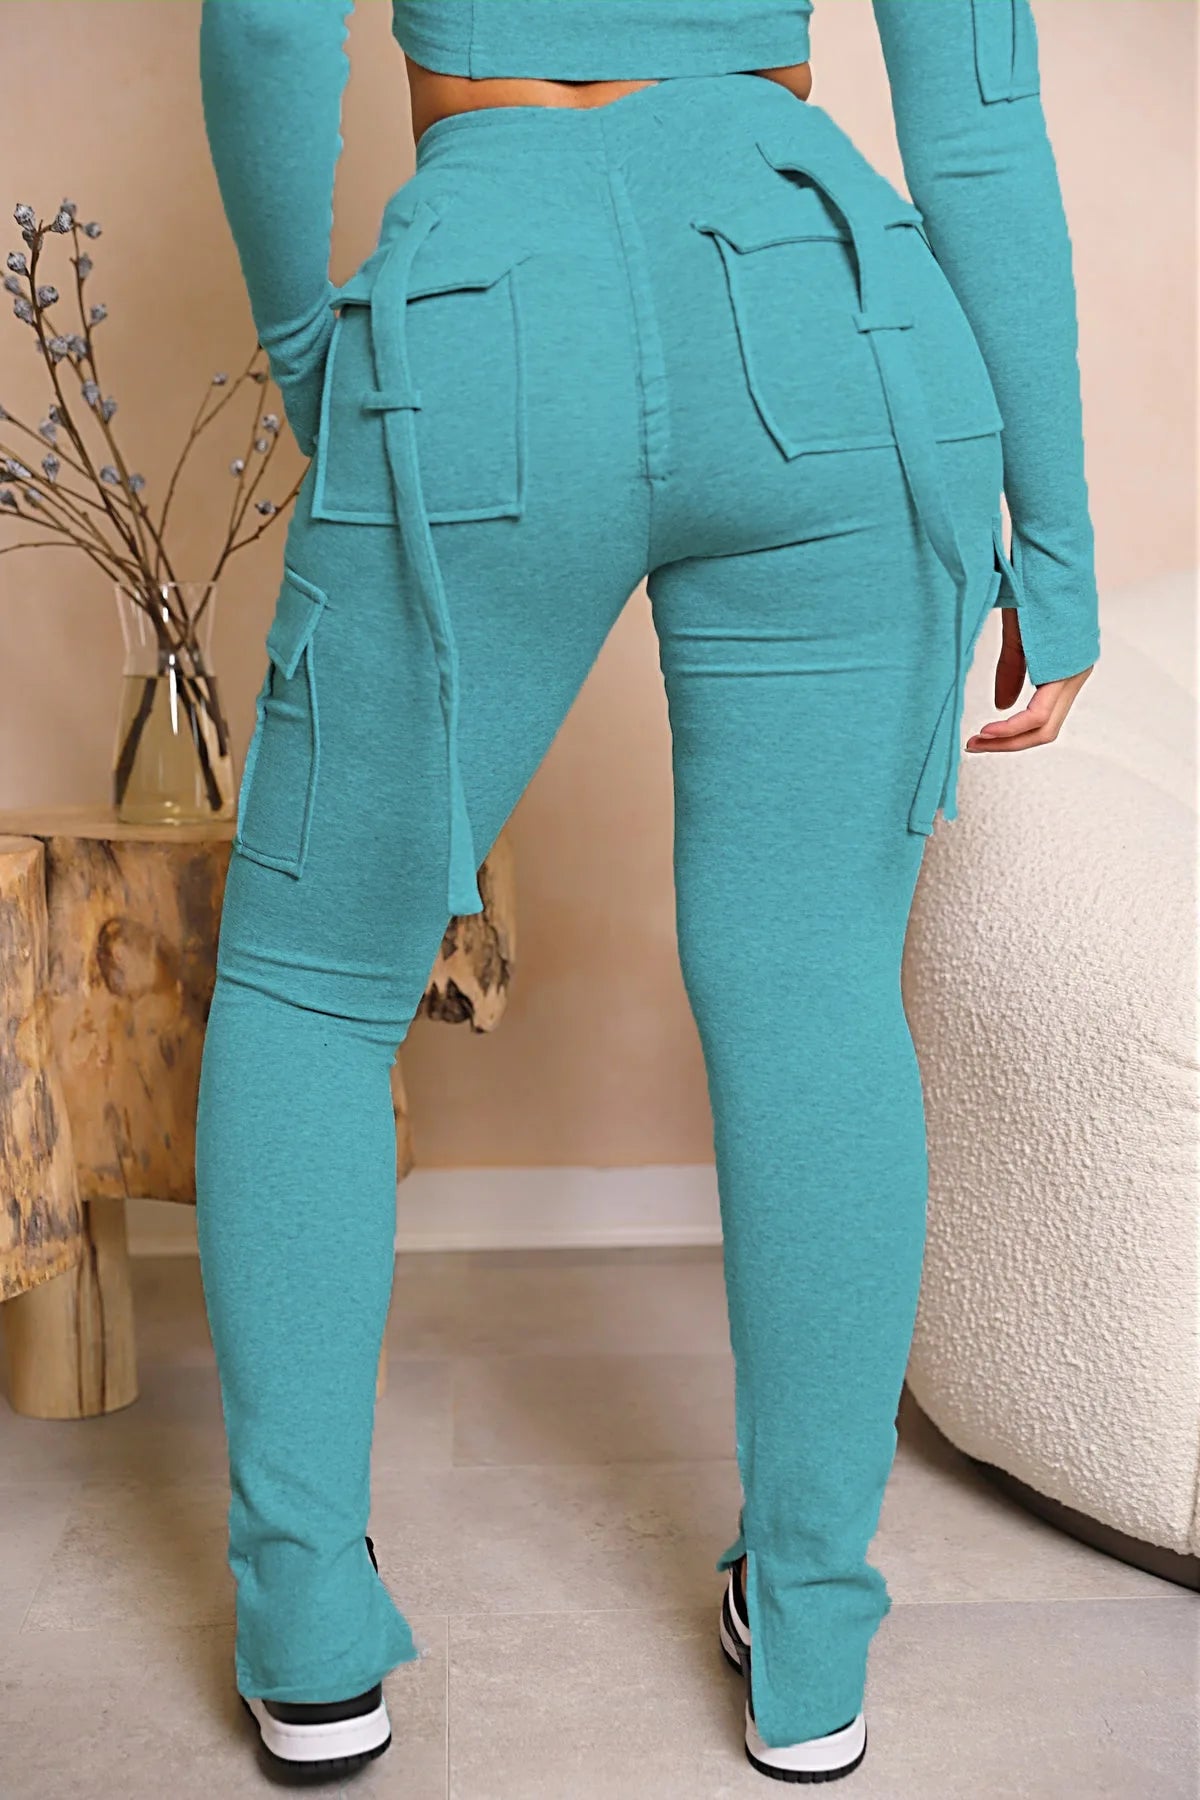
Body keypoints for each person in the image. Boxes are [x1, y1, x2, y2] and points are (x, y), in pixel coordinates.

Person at [196, 0, 1098, 1784]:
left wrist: (313, 345)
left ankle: (307, 1638)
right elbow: (980, 118)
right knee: (817, 989)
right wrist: (1054, 540)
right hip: (834, 314)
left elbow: (269, 28)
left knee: (310, 983)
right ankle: (813, 1646)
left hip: (488, 305)